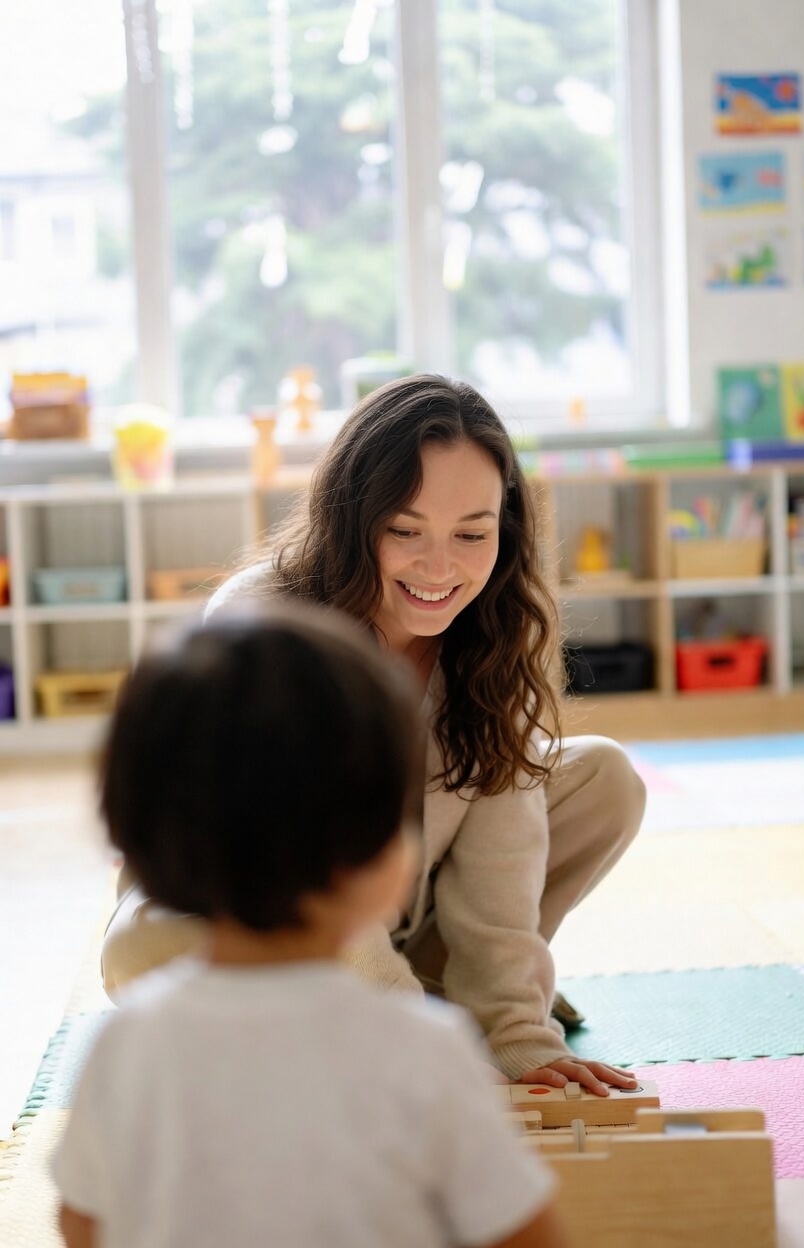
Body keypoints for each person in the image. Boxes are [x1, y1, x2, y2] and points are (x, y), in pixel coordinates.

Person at [101, 373, 646, 1093]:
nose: (440, 567)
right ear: (353, 521)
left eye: (472, 534)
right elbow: (298, 861)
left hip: (402, 912)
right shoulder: (267, 619)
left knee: (605, 778)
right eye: (405, 531)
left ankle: (445, 999)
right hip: (263, 915)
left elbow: (503, 849)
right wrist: (413, 1040)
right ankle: (396, 1013)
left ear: (504, 529)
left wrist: (516, 1033)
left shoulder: (506, 627)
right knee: (141, 948)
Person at [53, 606, 567, 1248]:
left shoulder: (125, 1047)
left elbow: (82, 1225)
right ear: (385, 865)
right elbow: (526, 1236)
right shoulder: (426, 1052)